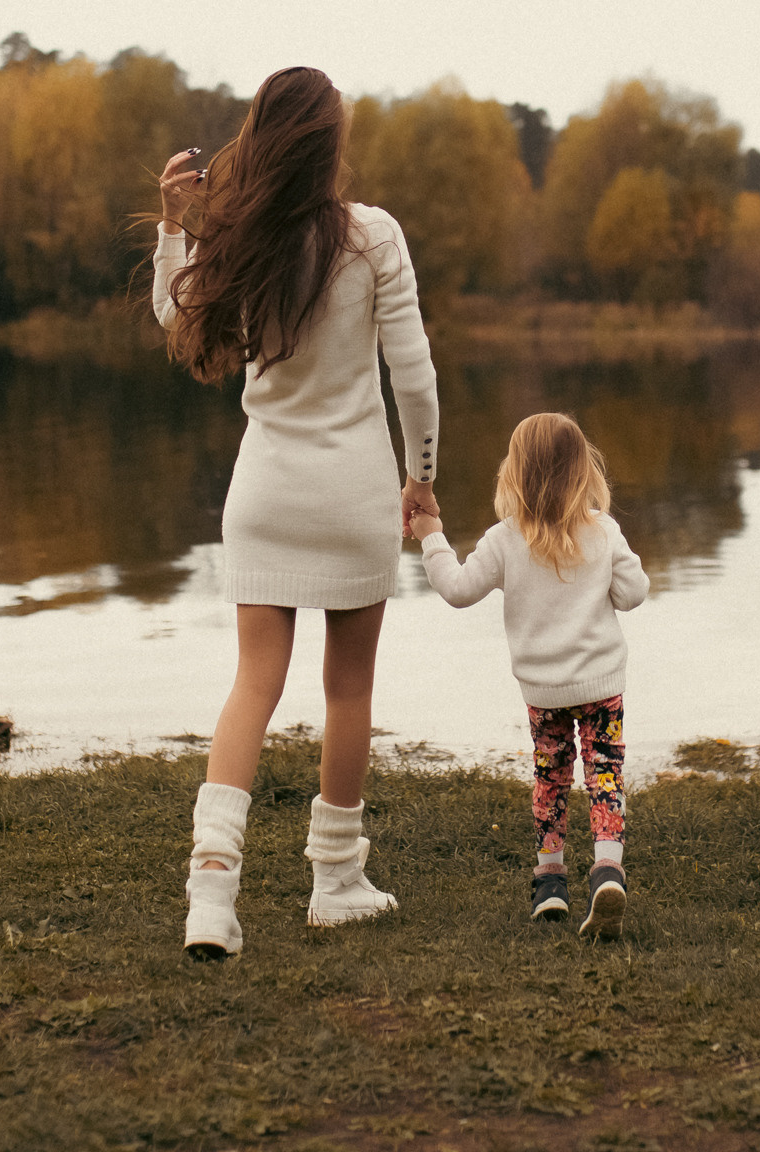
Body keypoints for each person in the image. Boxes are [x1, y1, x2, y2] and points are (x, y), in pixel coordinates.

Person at [152, 65, 440, 959]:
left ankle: (212, 896)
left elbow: (174, 315)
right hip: (354, 494)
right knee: (346, 689)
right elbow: (415, 378)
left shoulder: (240, 238)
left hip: (265, 496)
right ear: (332, 143)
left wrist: (172, 226)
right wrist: (422, 476)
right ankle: (336, 881)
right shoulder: (374, 236)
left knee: (253, 687)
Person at [408, 412, 649, 939]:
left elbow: (456, 588)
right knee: (604, 774)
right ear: (584, 471)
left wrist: (430, 535)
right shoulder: (603, 531)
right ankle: (608, 870)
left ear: (513, 473)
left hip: (543, 691)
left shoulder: (503, 539)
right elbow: (633, 594)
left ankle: (550, 881)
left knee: (551, 775)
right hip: (602, 685)